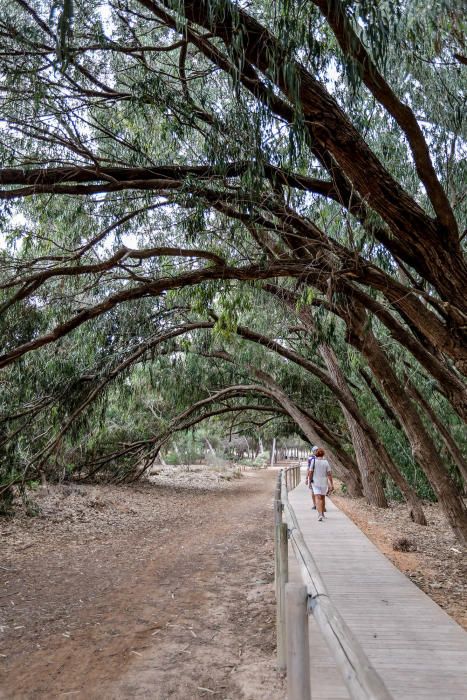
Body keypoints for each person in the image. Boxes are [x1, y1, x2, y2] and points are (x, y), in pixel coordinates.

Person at [309, 448, 334, 522]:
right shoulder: (326, 462)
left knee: (317, 497)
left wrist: (310, 481)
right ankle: (322, 514)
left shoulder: (313, 461)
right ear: (323, 454)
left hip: (315, 482)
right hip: (324, 482)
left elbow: (310, 472)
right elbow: (329, 474)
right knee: (322, 498)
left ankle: (320, 514)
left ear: (316, 454)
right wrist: (331, 484)